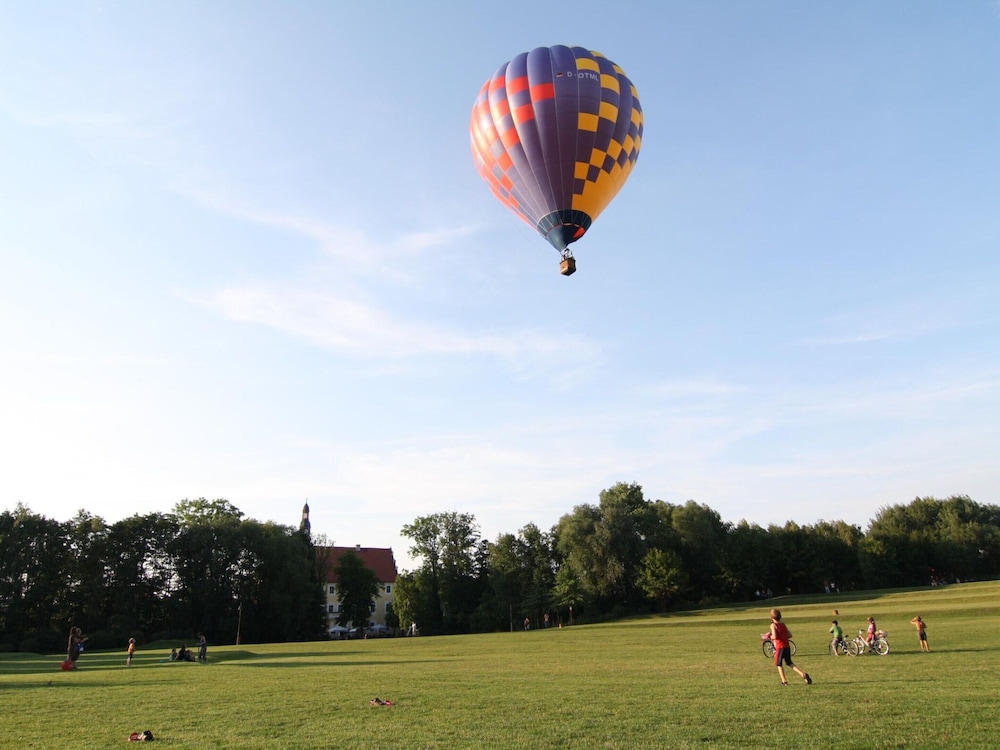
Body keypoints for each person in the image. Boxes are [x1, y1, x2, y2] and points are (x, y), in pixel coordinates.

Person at [769, 609, 811, 685]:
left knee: (779, 664)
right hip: (787, 646)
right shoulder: (783, 624)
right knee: (789, 662)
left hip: (780, 647)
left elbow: (774, 636)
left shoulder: (773, 625)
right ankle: (803, 674)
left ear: (771, 617)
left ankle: (784, 681)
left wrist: (769, 636)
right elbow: (790, 635)